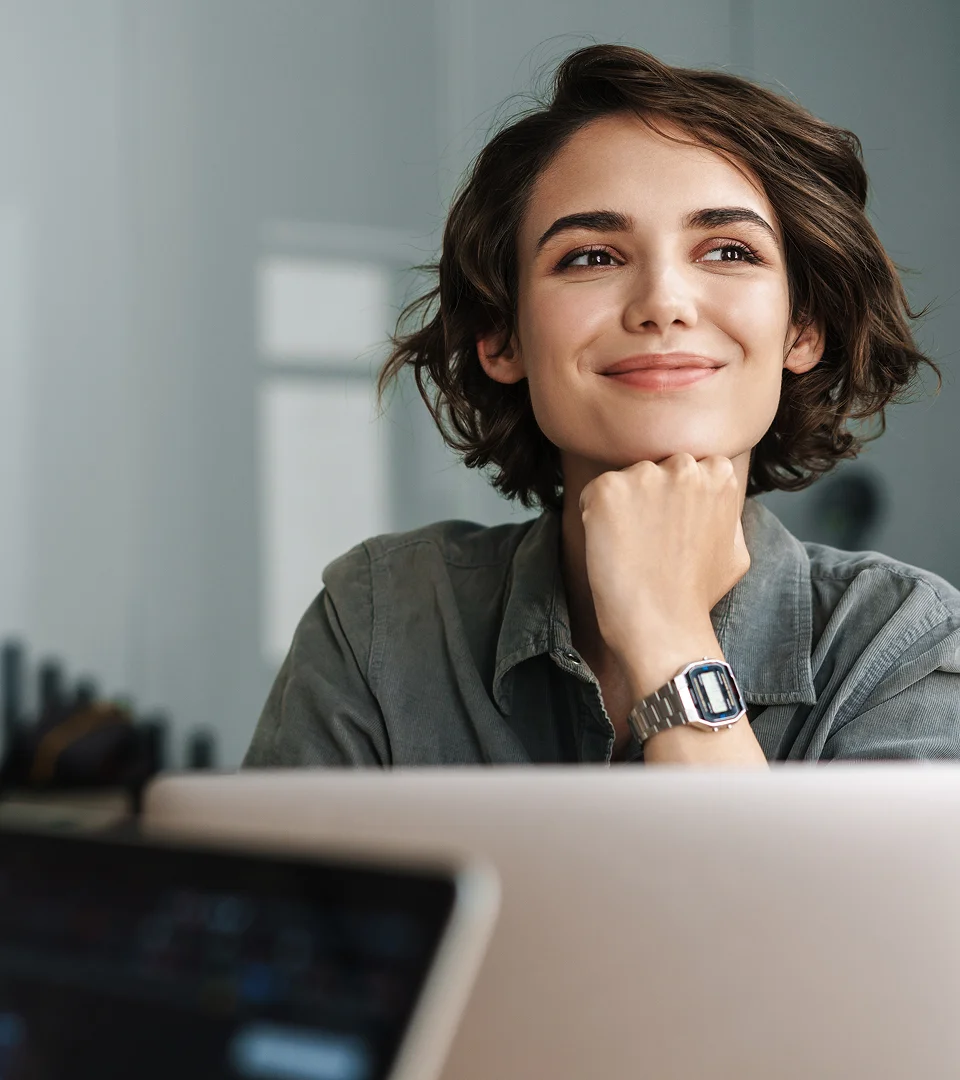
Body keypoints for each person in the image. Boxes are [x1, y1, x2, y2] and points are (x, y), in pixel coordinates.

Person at [244, 43, 960, 769]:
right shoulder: (376, 622)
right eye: (591, 257)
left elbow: (760, 891)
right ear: (501, 335)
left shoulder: (903, 645)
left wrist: (668, 634)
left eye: (729, 251)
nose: (662, 305)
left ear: (802, 328)